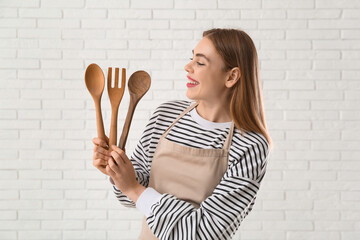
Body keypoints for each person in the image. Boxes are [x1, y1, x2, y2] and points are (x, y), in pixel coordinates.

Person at [92, 28, 273, 240]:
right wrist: (116, 171)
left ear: (231, 76)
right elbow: (130, 196)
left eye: (200, 62)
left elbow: (206, 233)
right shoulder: (166, 115)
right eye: (191, 59)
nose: (188, 67)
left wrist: (134, 189)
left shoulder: (250, 145)